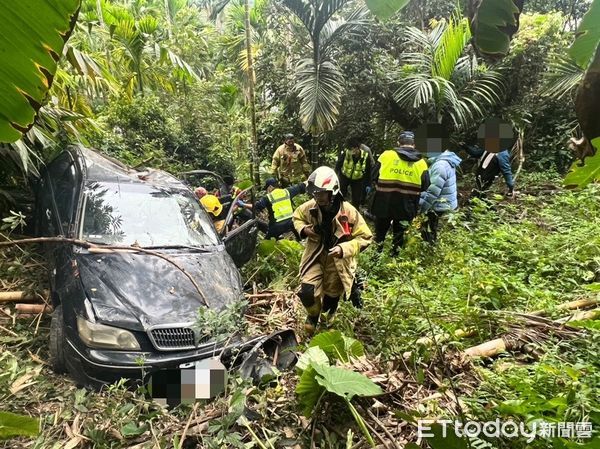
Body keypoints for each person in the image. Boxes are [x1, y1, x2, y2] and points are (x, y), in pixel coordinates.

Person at [293, 166, 372, 335]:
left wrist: (344, 248)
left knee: (331, 296)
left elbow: (365, 237)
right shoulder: (310, 207)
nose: (318, 197)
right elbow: (297, 216)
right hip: (315, 255)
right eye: (316, 193)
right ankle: (313, 316)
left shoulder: (349, 212)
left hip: (338, 262)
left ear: (332, 191)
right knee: (307, 291)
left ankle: (326, 319)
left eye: (322, 193)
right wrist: (304, 229)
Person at [371, 131, 429, 255]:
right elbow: (425, 186)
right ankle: (395, 259)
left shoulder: (386, 156)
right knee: (399, 235)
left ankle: (376, 258)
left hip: (383, 202)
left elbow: (373, 175)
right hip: (406, 205)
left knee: (380, 234)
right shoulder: (421, 163)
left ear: (398, 143)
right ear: (413, 144)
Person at [419, 150, 462, 243]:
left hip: (438, 206)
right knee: (433, 231)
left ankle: (428, 252)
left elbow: (433, 192)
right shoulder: (445, 161)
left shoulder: (440, 165)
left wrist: (422, 209)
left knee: (428, 232)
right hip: (445, 203)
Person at [335, 137, 372, 208]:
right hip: (345, 176)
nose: (351, 151)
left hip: (358, 179)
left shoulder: (365, 156)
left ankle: (355, 213)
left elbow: (368, 171)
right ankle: (339, 209)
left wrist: (368, 184)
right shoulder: (346, 153)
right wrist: (336, 175)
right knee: (341, 195)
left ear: (357, 148)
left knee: (356, 199)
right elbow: (338, 164)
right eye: (350, 149)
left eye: (352, 149)